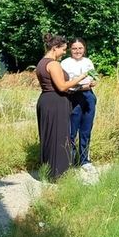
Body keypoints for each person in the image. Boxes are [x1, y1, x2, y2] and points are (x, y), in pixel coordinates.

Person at [36, 33, 91, 180]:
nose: (64, 52)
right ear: (55, 48)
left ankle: (48, 171)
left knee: (49, 136)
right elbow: (61, 86)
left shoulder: (42, 62)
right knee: (59, 137)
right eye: (63, 49)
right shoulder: (53, 64)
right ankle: (58, 174)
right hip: (56, 102)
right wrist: (80, 78)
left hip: (46, 100)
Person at [61, 38, 97, 171]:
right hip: (73, 97)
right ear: (70, 49)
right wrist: (80, 85)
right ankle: (70, 160)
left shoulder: (88, 62)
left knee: (86, 130)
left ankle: (84, 160)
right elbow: (66, 84)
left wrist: (93, 83)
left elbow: (93, 78)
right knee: (71, 131)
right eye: (75, 48)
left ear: (84, 48)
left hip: (88, 96)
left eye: (80, 48)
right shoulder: (65, 63)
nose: (77, 51)